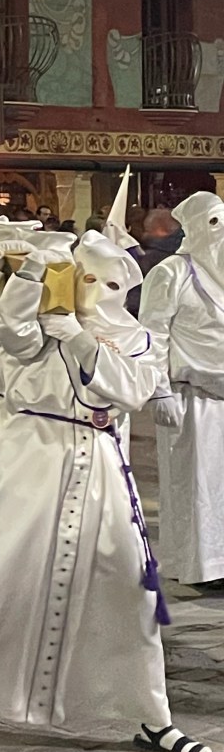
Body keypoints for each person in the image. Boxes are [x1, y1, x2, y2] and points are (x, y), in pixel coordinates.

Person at [0, 230, 211, 752]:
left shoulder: (136, 338)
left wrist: (78, 336)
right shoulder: (38, 328)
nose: (98, 289)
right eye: (87, 277)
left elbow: (131, 389)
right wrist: (31, 278)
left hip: (99, 461)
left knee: (128, 589)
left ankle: (153, 717)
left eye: (110, 281)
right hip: (28, 455)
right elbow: (5, 334)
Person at [140, 192, 224, 587]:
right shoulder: (172, 273)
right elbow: (153, 333)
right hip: (191, 398)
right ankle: (197, 566)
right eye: (212, 222)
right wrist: (159, 391)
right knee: (193, 487)